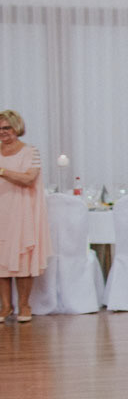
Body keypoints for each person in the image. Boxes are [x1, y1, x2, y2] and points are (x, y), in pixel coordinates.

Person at [0, 109, 50, 324]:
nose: (2, 132)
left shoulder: (31, 152)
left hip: (21, 209)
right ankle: (5, 306)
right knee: (1, 260)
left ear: (17, 128)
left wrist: (2, 171)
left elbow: (29, 179)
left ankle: (24, 305)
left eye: (6, 128)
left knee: (22, 259)